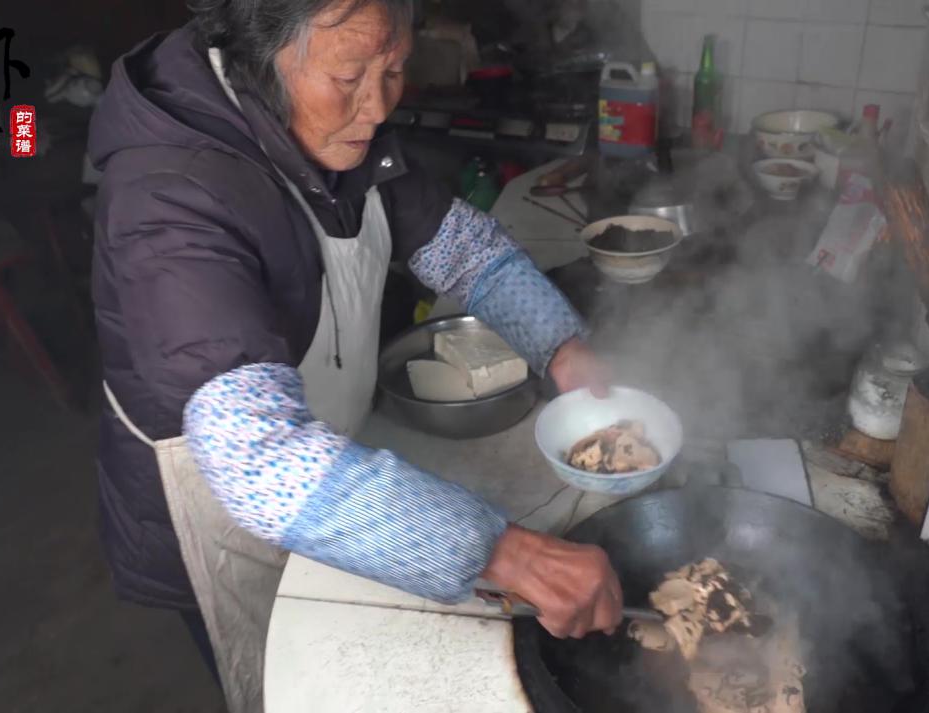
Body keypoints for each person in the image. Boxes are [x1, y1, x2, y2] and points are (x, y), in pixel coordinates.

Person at [87, 0, 624, 710]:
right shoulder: (168, 196)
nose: (376, 106)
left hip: (327, 460)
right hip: (217, 502)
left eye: (394, 69)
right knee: (284, 679)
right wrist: (508, 552)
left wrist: (562, 348)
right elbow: (259, 457)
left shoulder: (332, 129)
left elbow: (464, 252)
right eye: (348, 77)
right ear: (259, 55)